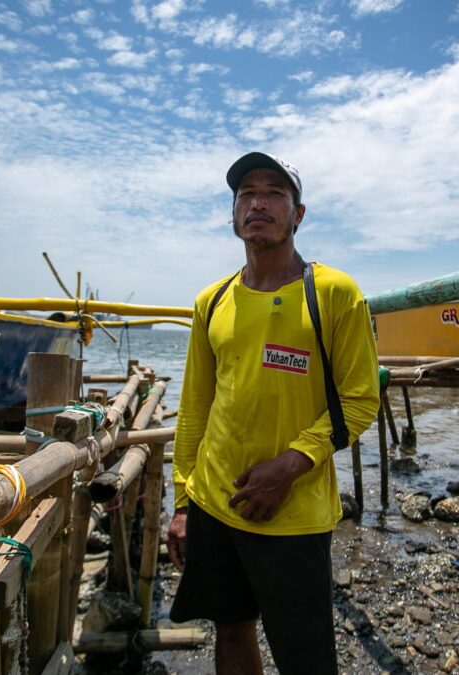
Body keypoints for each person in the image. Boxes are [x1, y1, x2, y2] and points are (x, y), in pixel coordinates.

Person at [166, 152, 380, 674]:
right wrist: (182, 501)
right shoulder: (211, 301)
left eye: (274, 192)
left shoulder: (332, 293)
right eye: (246, 193)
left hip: (294, 515)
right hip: (215, 504)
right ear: (234, 213)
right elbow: (195, 408)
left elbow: (359, 400)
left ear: (298, 213)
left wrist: (290, 466)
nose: (258, 202)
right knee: (232, 629)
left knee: (304, 655)